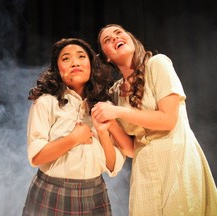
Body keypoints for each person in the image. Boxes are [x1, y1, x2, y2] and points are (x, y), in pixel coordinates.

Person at [92, 24, 217, 216]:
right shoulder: (116, 92)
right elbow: (130, 149)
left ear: (131, 39)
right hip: (144, 173)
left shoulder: (157, 64)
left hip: (177, 162)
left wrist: (118, 112)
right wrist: (108, 125)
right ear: (107, 56)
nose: (115, 38)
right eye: (107, 40)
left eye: (119, 33)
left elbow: (168, 120)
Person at [22, 38, 134, 216]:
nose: (75, 62)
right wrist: (74, 138)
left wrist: (104, 133)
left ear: (91, 64)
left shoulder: (105, 106)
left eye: (81, 56)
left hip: (95, 194)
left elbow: (112, 166)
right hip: (52, 192)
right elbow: (36, 157)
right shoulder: (46, 102)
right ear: (57, 70)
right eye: (66, 58)